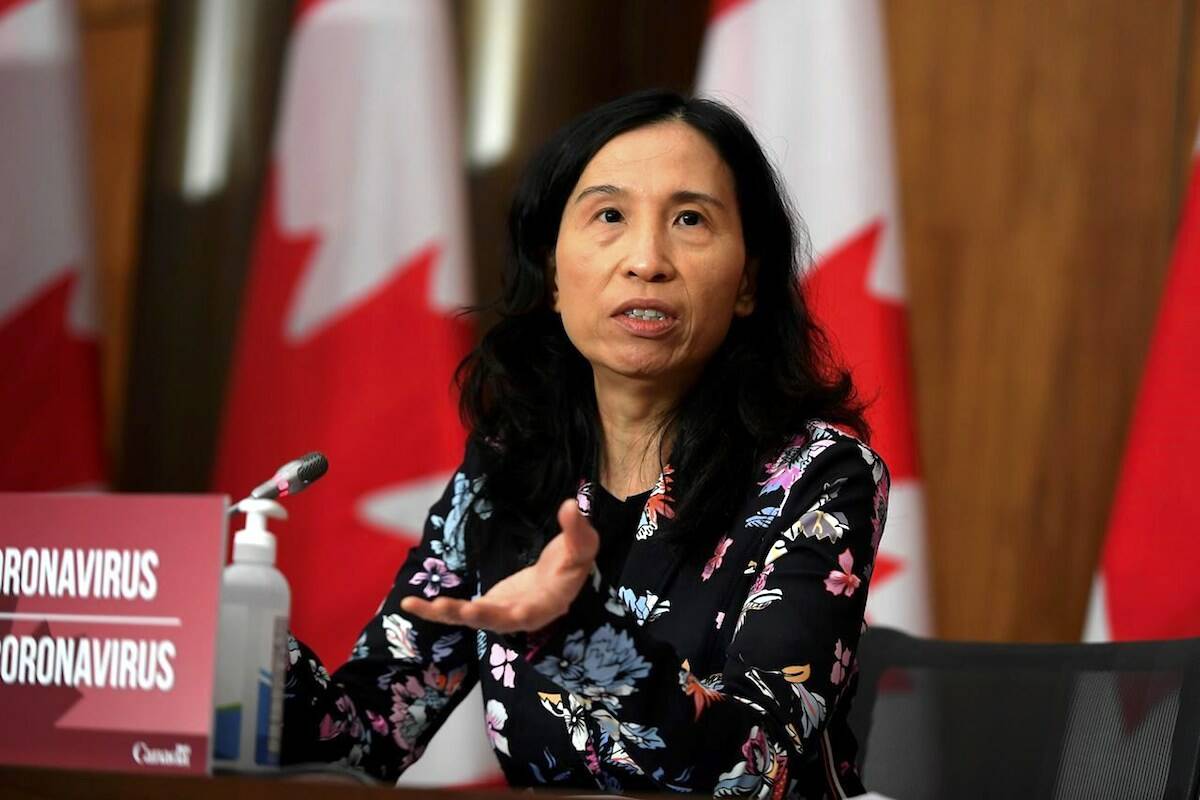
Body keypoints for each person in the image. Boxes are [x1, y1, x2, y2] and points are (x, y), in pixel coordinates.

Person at [282, 89, 888, 799]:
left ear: (749, 280)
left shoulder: (818, 476)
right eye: (609, 216)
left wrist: (578, 637)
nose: (646, 260)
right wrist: (224, 639)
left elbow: (754, 769)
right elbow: (362, 740)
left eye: (690, 219)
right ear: (553, 278)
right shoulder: (505, 473)